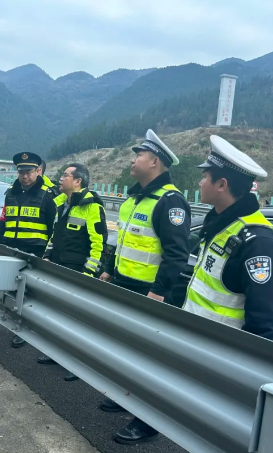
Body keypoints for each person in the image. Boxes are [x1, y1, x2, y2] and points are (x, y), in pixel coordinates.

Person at [99, 129, 191, 445]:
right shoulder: (134, 199)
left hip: (149, 291)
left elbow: (177, 254)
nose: (132, 160)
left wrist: (159, 291)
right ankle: (128, 398)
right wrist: (109, 269)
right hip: (124, 285)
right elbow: (122, 241)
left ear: (154, 162)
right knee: (128, 349)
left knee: (151, 357)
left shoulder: (170, 201)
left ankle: (148, 421)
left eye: (138, 155)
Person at [183, 135, 273, 339]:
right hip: (195, 341)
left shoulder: (258, 241)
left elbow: (265, 320)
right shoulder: (220, 224)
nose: (200, 182)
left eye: (205, 177)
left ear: (221, 185)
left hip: (219, 350)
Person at [39, 163, 108, 380]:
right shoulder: (62, 203)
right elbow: (54, 235)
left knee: (78, 320)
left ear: (78, 181)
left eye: (65, 175)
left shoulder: (92, 207)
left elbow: (99, 245)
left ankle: (78, 364)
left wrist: (88, 275)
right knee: (59, 313)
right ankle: (57, 354)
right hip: (59, 268)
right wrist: (47, 256)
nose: (61, 178)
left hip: (77, 272)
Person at [0, 152, 58, 347]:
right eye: (21, 172)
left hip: (34, 252)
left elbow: (53, 228)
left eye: (29, 172)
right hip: (10, 248)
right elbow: (3, 220)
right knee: (2, 287)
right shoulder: (11, 193)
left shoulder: (48, 195)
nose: (24, 176)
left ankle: (23, 329)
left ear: (38, 171)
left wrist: (48, 254)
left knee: (28, 294)